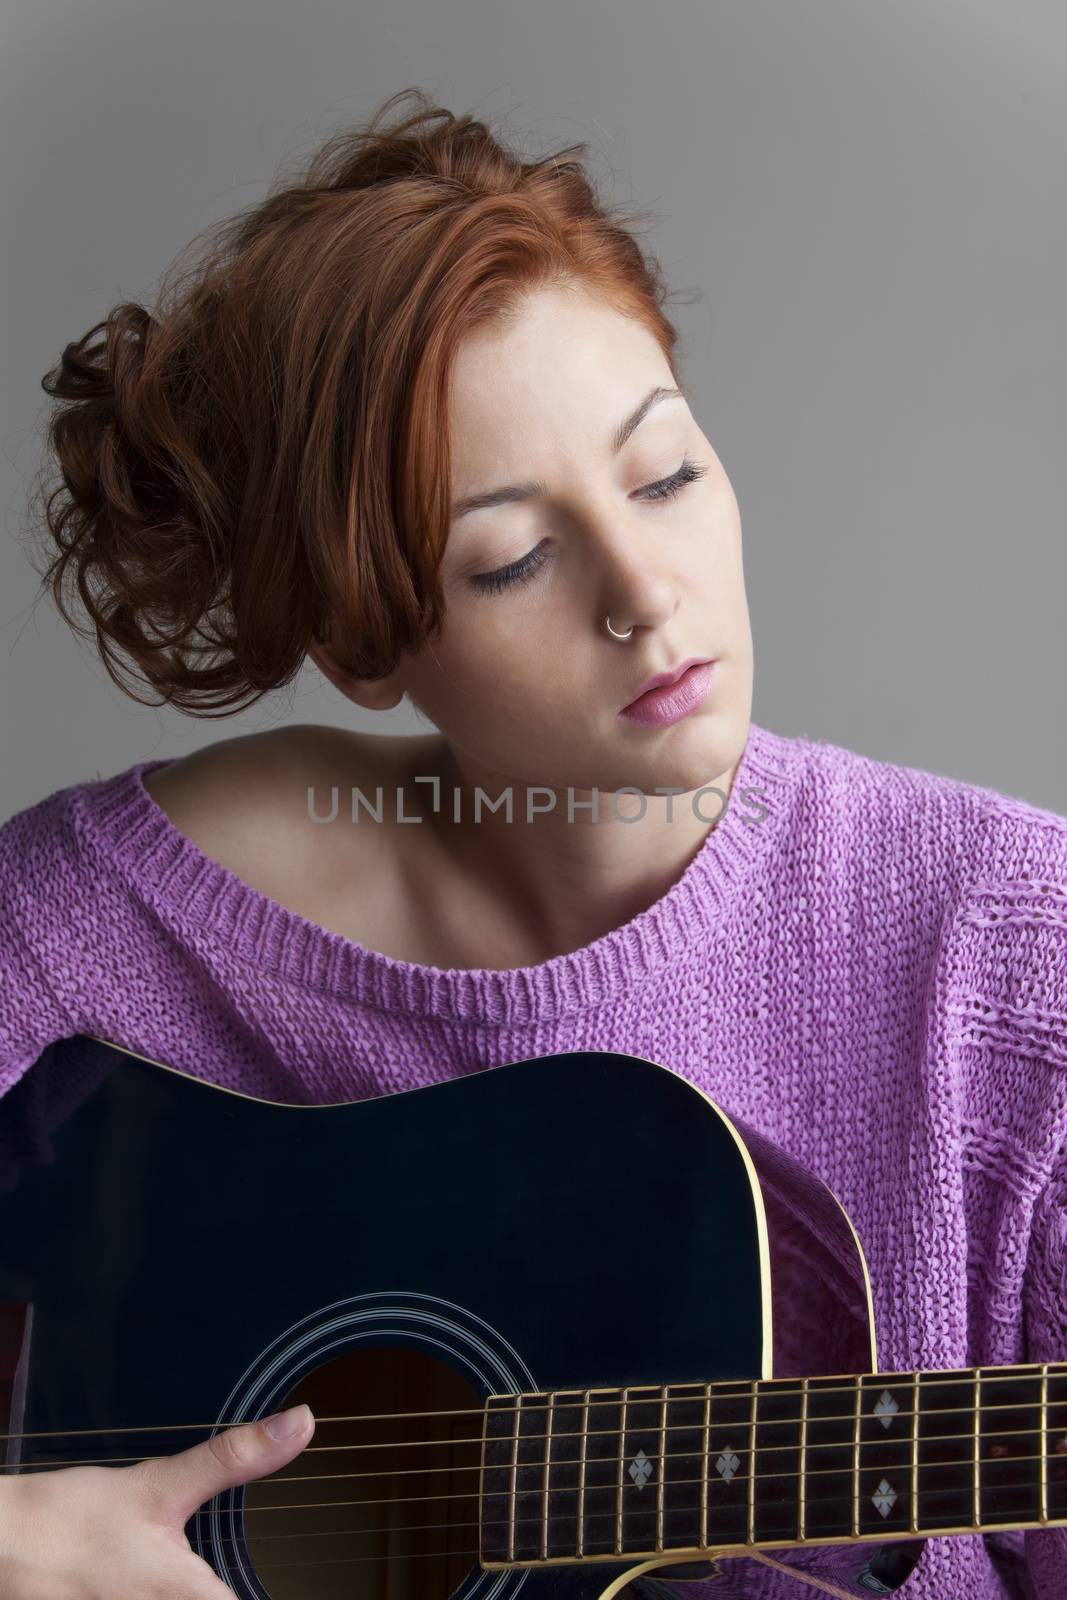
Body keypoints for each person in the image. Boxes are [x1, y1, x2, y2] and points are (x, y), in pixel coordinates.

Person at [1, 85, 1065, 1600]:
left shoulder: (1017, 955)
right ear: (370, 648)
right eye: (514, 557)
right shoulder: (128, 913)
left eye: (668, 472)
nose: (645, 589)